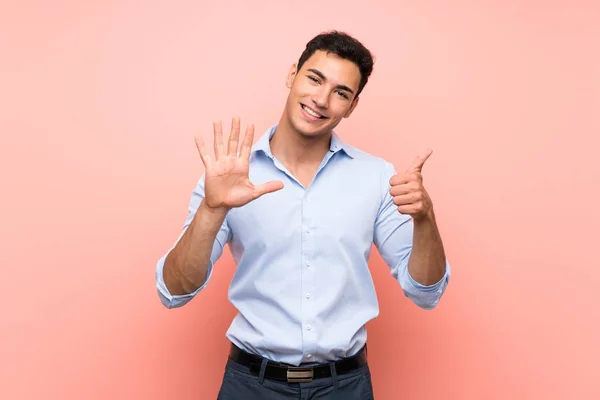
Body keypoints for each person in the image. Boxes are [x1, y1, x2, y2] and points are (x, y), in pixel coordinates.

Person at [155, 30, 451, 400]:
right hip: (251, 386)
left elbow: (426, 292)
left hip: (345, 387)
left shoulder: (376, 176)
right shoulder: (230, 175)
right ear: (292, 75)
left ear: (352, 105)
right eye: (314, 79)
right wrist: (212, 210)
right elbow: (173, 291)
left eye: (341, 93)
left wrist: (425, 219)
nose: (321, 100)